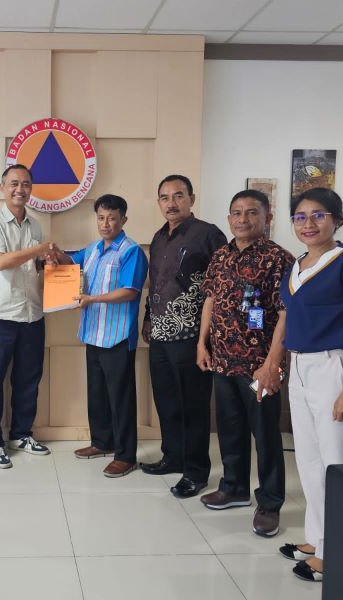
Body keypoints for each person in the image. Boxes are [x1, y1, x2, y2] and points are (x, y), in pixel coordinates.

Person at [255, 187, 343, 582]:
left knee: (336, 464)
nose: (308, 223)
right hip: (302, 366)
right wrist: (272, 362)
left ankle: (337, 552)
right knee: (308, 460)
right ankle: (318, 540)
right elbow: (287, 319)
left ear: (336, 220)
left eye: (318, 215)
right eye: (300, 217)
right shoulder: (297, 265)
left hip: (335, 367)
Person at [196, 189, 294, 536]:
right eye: (236, 212)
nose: (242, 219)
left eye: (251, 212)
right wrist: (202, 343)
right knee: (230, 428)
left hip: (259, 365)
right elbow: (210, 300)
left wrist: (272, 364)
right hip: (223, 361)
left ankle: (270, 502)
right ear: (228, 218)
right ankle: (234, 487)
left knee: (265, 434)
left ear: (267, 217)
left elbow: (286, 313)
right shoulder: (220, 255)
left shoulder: (279, 259)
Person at [140, 174, 227, 498]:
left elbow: (221, 287)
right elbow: (157, 283)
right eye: (165, 197)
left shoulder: (208, 234)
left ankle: (196, 471)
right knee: (166, 401)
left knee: (193, 406)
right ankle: (173, 456)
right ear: (158, 202)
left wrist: (209, 338)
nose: (171, 203)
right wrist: (148, 319)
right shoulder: (158, 237)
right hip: (160, 334)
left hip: (192, 336)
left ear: (191, 198)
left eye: (178, 196)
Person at [53, 195, 148, 477]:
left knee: (120, 398)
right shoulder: (94, 248)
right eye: (101, 218)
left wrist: (92, 299)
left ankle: (126, 455)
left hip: (117, 336)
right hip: (92, 333)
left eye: (112, 218)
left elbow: (130, 291)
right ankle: (102, 442)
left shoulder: (131, 251)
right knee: (97, 394)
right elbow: (70, 263)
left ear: (123, 220)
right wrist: (54, 254)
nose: (105, 224)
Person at [0, 164, 55, 468]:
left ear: (31, 189)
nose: (19, 189)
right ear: (2, 187)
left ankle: (22, 434)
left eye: (25, 184)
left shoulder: (35, 225)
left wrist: (48, 261)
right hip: (0, 315)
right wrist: (40, 249)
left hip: (32, 313)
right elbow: (0, 262)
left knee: (28, 379)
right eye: (13, 184)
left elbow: (31, 265)